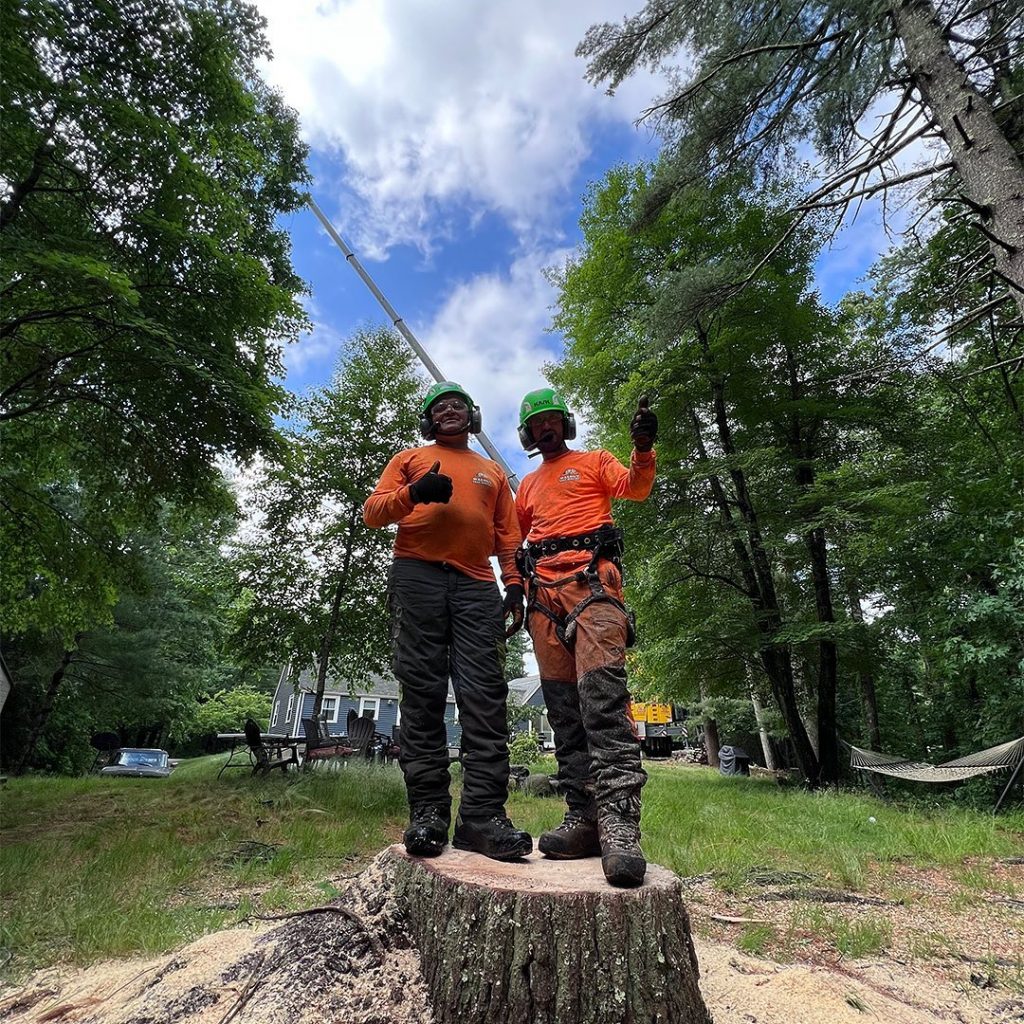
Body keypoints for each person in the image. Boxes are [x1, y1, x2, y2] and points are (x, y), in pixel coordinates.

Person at [363, 381, 532, 861]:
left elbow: (507, 533)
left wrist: (515, 584)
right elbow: (373, 513)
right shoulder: (409, 458)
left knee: (486, 695)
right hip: (417, 575)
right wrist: (413, 493)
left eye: (458, 405)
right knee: (422, 691)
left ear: (472, 416)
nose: (449, 411)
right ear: (429, 421)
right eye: (440, 407)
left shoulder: (492, 471)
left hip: (478, 584)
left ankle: (482, 817)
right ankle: (429, 812)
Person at [513, 387, 657, 887]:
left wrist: (642, 449)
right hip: (542, 597)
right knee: (563, 712)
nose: (545, 428)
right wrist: (514, 587)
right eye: (537, 423)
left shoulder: (594, 461)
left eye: (552, 420)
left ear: (565, 425)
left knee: (603, 700)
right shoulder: (527, 486)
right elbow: (513, 539)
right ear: (527, 434)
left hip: (592, 585)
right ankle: (585, 817)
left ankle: (620, 825)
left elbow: (636, 488)